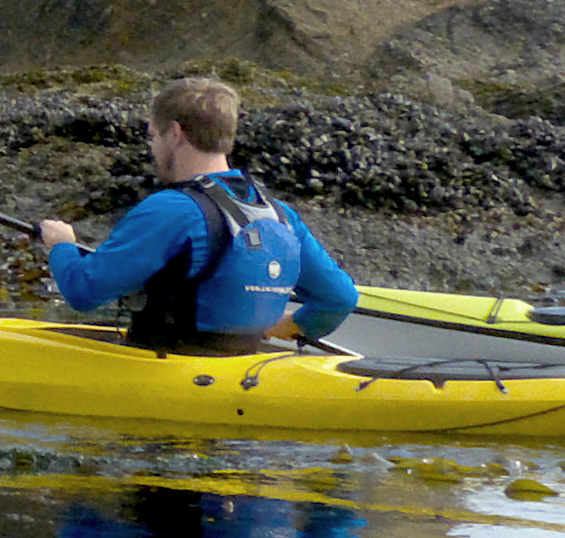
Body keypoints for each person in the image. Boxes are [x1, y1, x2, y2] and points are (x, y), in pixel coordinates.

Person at [37, 77, 355, 352]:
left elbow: (83, 291)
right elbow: (339, 299)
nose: (152, 148)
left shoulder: (170, 209)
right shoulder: (279, 213)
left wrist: (62, 245)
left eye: (153, 136)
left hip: (171, 367)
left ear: (175, 133)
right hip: (244, 365)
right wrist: (287, 327)